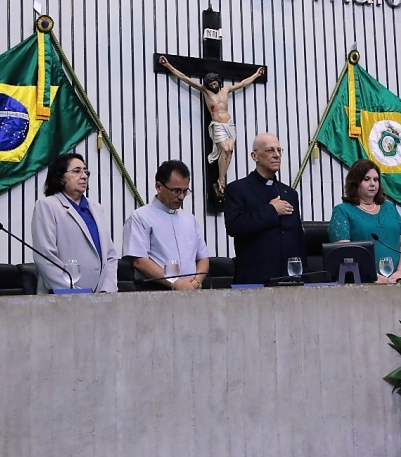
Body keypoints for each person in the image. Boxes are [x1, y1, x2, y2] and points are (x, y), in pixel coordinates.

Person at [159, 55, 265, 199]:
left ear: (218, 82)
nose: (213, 86)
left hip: (229, 124)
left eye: (215, 83)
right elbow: (184, 78)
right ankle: (221, 180)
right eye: (211, 84)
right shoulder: (205, 91)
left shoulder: (226, 90)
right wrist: (168, 66)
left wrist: (256, 74)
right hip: (218, 125)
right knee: (225, 149)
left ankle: (221, 179)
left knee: (229, 151)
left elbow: (242, 83)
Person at [224, 133, 306, 284]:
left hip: (290, 278)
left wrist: (303, 275)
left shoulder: (289, 193)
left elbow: (297, 237)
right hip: (255, 277)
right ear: (254, 156)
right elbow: (234, 226)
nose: (276, 155)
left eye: (279, 150)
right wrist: (272, 210)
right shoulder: (238, 189)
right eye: (270, 150)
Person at [31, 153, 118, 293]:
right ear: (60, 178)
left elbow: (110, 255)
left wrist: (107, 289)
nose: (84, 176)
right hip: (63, 297)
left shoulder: (96, 208)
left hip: (101, 297)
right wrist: (73, 292)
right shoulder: (48, 205)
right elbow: (45, 256)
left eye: (85, 171)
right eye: (77, 171)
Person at [122, 160, 210, 290]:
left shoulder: (190, 220)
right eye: (176, 191)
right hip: (155, 291)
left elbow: (203, 258)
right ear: (159, 187)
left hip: (192, 290)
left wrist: (196, 282)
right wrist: (176, 283)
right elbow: (139, 261)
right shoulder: (140, 217)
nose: (181, 197)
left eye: (185, 191)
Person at [328, 159, 401, 283]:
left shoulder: (389, 208)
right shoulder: (343, 211)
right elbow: (345, 252)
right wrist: (373, 276)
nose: (373, 184)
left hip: (397, 280)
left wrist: (400, 272)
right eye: (367, 179)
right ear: (355, 183)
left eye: (376, 180)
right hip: (363, 282)